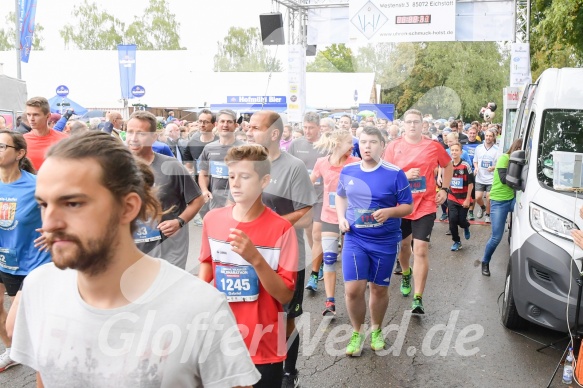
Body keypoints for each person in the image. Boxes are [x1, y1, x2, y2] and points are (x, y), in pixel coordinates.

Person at [10, 131, 260, 387]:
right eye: (43, 204)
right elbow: (46, 378)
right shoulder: (39, 286)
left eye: (72, 204)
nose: (50, 222)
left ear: (128, 207)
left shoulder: (200, 306)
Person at [199, 145, 298, 388]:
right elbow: (206, 268)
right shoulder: (213, 219)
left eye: (245, 177)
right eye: (232, 176)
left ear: (264, 181)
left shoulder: (282, 230)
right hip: (221, 338)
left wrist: (255, 258)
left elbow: (285, 294)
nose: (236, 184)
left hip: (262, 343)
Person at [245, 110, 316, 388]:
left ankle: (288, 371)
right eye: (248, 127)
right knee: (252, 314)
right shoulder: (247, 163)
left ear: (274, 134)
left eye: (254, 127)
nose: (249, 131)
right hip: (249, 256)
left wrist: (268, 226)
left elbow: (307, 216)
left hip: (285, 258)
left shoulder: (293, 166)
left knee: (284, 320)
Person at [337, 126, 413, 355]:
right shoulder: (349, 170)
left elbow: (408, 206)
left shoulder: (395, 173)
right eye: (363, 141)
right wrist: (341, 218)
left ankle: (377, 330)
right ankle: (357, 333)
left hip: (385, 240)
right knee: (353, 289)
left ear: (382, 145)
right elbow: (340, 196)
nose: (367, 146)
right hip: (355, 238)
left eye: (372, 142)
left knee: (378, 289)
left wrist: (389, 212)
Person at [383, 109, 453, 314]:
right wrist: (404, 174)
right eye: (409, 122)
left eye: (416, 122)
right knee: (404, 247)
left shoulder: (433, 146)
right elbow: (385, 175)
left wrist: (445, 190)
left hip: (425, 204)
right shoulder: (393, 147)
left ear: (423, 124)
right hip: (401, 205)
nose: (412, 125)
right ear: (403, 124)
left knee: (421, 249)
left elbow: (448, 166)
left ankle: (418, 297)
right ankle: (406, 272)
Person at [126, 111, 204, 270]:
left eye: (140, 133)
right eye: (129, 132)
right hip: (134, 250)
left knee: (167, 293)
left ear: (153, 138)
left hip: (170, 250)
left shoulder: (171, 166)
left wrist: (179, 221)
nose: (133, 138)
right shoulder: (117, 167)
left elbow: (198, 200)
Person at [0, 131, 51, 373]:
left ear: (19, 153)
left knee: (16, 326)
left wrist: (55, 231)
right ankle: (12, 352)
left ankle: (49, 362)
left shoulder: (37, 185)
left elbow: (65, 211)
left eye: (1, 145)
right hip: (2, 258)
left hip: (31, 262)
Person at [310, 130, 360, 316]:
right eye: (349, 142)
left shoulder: (356, 163)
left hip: (352, 218)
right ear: (338, 144)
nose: (353, 146)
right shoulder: (321, 163)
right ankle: (330, 302)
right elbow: (309, 182)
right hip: (329, 216)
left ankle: (352, 294)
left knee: (350, 260)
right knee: (329, 258)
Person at [288, 112, 326, 293]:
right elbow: (287, 166)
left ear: (319, 127)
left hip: (321, 195)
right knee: (307, 232)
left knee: (316, 233)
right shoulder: (296, 144)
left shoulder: (326, 145)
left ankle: (316, 269)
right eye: (305, 127)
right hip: (301, 196)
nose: (308, 131)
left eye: (311, 127)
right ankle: (319, 260)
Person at [480, 139, 522, 276]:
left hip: (513, 199)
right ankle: (485, 262)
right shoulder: (504, 158)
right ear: (517, 148)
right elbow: (505, 180)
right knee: (496, 237)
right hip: (499, 201)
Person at [198, 109, 245, 211]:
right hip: (215, 205)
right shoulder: (208, 148)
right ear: (216, 124)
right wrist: (204, 190)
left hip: (239, 206)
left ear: (236, 125)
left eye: (229, 122)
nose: (225, 125)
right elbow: (203, 173)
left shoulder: (245, 149)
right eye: (222, 121)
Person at [22, 97, 68, 171]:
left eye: (36, 115)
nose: (31, 119)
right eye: (28, 114)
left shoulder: (64, 140)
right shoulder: (22, 141)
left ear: (48, 116)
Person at [446, 142, 474, 251]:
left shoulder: (466, 165)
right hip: (452, 197)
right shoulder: (448, 165)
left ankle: (466, 226)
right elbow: (446, 178)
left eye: (456, 150)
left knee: (461, 221)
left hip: (464, 197)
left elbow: (471, 184)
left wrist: (468, 199)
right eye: (452, 150)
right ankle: (456, 241)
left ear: (461, 152)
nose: (454, 152)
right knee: (452, 220)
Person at [473, 129, 499, 223]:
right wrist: (476, 167)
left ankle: (488, 215)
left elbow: (500, 164)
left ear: (493, 137)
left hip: (491, 178)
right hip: (480, 177)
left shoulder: (497, 150)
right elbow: (475, 161)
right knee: (478, 198)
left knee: (488, 197)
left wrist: (493, 167)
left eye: (490, 136)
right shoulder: (479, 148)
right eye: (487, 135)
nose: (488, 138)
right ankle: (482, 208)